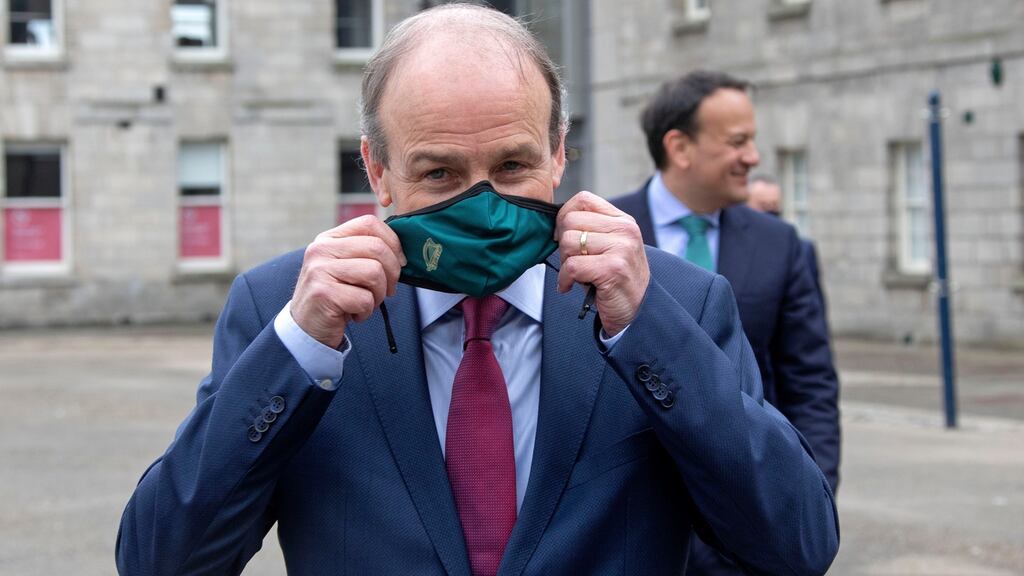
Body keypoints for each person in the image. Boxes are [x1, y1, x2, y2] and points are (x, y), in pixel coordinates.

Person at [116, 8, 838, 575]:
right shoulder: (283, 306)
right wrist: (297, 348)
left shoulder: (674, 300)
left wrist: (648, 331)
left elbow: (796, 544)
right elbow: (161, 560)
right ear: (377, 169)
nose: (483, 205)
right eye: (439, 174)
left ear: (559, 150)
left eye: (514, 164)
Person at [612, 70, 841, 575]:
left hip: (749, 535)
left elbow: (810, 385)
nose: (753, 158)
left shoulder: (781, 246)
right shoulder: (601, 237)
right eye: (738, 142)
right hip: (632, 532)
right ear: (680, 147)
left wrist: (805, 498)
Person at [747, 174, 827, 307]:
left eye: (774, 205)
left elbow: (813, 305)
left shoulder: (802, 249)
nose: (770, 212)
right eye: (763, 206)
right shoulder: (735, 249)